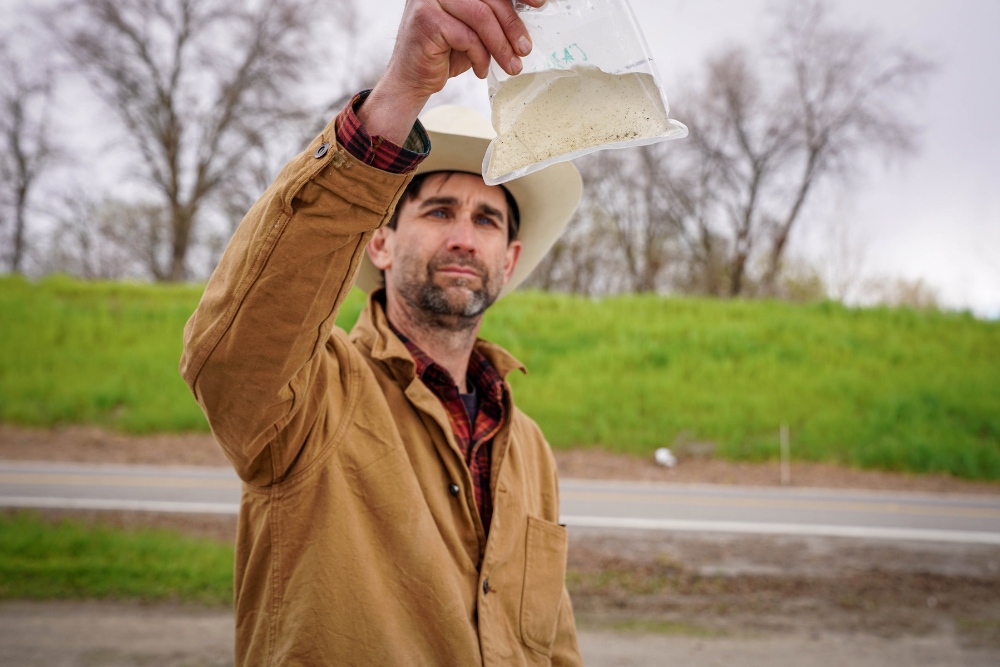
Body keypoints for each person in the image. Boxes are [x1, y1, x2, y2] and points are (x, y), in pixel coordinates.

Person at [180, 0, 584, 664]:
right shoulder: (313, 395)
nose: (463, 235)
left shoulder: (528, 447)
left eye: (488, 220)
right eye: (439, 209)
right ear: (380, 242)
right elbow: (231, 357)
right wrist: (400, 92)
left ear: (508, 260)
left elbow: (553, 644)